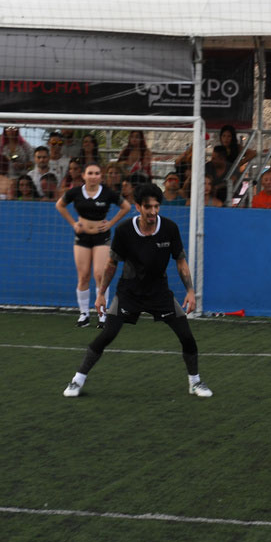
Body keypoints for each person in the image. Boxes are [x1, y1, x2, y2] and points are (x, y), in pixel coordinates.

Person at [63, 184, 212, 399]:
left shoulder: (169, 228)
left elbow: (180, 261)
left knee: (186, 336)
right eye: (148, 207)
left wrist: (190, 290)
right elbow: (111, 264)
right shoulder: (124, 230)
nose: (153, 211)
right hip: (129, 293)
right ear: (138, 207)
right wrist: (101, 293)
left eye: (156, 206)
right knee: (107, 335)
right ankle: (77, 380)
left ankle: (195, 382)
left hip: (159, 293)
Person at [56, 163, 131, 328]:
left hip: (101, 237)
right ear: (84, 175)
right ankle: (84, 314)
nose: (93, 176)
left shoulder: (107, 193)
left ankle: (102, 314)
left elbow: (126, 207)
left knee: (99, 274)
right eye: (90, 173)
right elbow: (59, 205)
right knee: (83, 275)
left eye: (97, 173)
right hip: (82, 237)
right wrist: (73, 223)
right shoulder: (75, 192)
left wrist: (111, 223)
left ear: (101, 176)